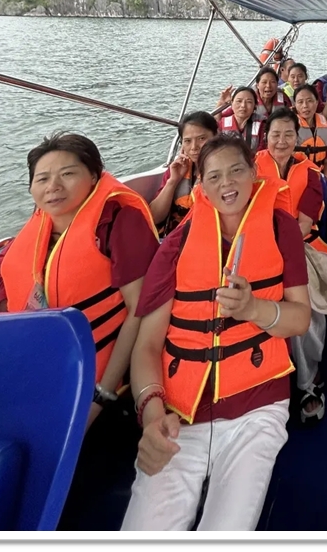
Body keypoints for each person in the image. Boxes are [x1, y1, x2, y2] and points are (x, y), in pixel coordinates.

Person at [121, 133, 312, 531]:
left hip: (258, 406)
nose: (227, 183)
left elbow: (300, 320)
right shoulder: (176, 245)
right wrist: (152, 413)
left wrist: (254, 308)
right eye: (214, 176)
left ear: (254, 173)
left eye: (236, 170)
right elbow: (147, 345)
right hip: (180, 414)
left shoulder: (281, 228)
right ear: (202, 187)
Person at [0, 131, 160, 530]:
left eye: (68, 173)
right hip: (32, 375)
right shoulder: (36, 231)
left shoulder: (116, 220)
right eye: (42, 178)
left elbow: (139, 310)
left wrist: (102, 393)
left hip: (100, 379)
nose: (53, 186)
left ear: (94, 176)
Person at [255, 110, 327, 423]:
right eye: (276, 134)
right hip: (258, 247)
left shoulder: (312, 174)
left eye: (288, 134)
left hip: (301, 247)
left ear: (297, 138)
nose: (281, 141)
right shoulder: (249, 167)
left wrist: (278, 257)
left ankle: (308, 379)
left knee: (308, 308)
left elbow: (303, 225)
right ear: (266, 137)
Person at [149, 111, 218, 238]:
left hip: (204, 237)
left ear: (216, 137)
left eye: (202, 138)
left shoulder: (226, 172)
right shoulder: (176, 169)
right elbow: (154, 218)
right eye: (187, 141)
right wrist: (173, 181)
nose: (194, 147)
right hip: (172, 237)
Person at [291, 89, 327, 180]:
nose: (305, 106)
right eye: (300, 102)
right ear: (295, 105)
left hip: (319, 176)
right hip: (295, 176)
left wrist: (326, 181)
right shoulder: (289, 126)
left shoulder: (325, 125)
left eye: (309, 101)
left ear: (316, 102)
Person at [213, 86, 261, 150]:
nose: (243, 105)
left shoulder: (263, 124)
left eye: (249, 102)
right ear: (232, 104)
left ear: (255, 105)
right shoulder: (222, 123)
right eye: (239, 101)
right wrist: (221, 103)